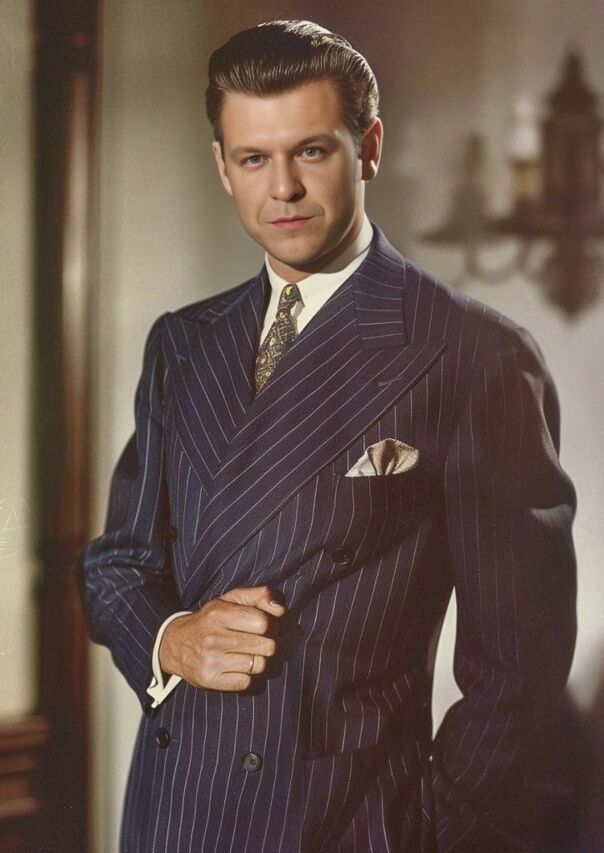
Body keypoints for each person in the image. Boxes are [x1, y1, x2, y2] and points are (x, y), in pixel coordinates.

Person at [80, 19, 577, 853]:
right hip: (176, 812)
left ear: (368, 147)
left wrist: (425, 831)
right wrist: (173, 639)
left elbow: (521, 665)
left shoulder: (471, 353)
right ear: (222, 167)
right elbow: (116, 563)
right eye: (253, 159)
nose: (283, 188)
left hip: (349, 821)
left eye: (310, 151)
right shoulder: (182, 344)